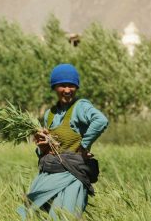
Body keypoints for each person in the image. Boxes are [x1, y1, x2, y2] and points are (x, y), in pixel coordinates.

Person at [18, 64, 109, 220]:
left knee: (64, 217)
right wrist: (43, 145)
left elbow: (101, 120)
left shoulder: (80, 107)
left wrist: (84, 145)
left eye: (71, 85)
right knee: (30, 214)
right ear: (55, 87)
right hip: (49, 174)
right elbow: (45, 150)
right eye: (62, 85)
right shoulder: (50, 114)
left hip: (72, 176)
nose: (67, 90)